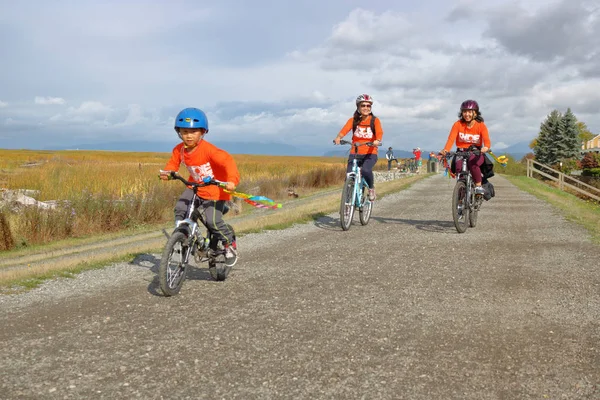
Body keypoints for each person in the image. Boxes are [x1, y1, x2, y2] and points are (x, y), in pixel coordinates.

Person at [160, 107, 241, 267]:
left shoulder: (208, 150)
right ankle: (184, 235)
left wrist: (231, 181)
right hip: (194, 187)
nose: (188, 136)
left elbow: (228, 162)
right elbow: (173, 164)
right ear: (179, 132)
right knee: (180, 208)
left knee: (212, 222)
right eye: (184, 132)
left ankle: (229, 244)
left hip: (215, 191)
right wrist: (168, 172)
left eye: (194, 132)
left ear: (203, 132)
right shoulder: (179, 150)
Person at [333, 94, 383, 200]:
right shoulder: (353, 120)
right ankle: (347, 203)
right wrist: (338, 137)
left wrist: (377, 140)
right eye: (363, 105)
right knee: (349, 177)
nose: (366, 108)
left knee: (365, 170)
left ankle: (371, 188)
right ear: (358, 107)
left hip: (370, 153)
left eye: (368, 106)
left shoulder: (375, 120)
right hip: (355, 152)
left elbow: (379, 132)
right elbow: (344, 130)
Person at [440, 100, 491, 195]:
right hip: (461, 152)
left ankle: (478, 186)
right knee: (459, 171)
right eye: (464, 111)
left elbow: (487, 140)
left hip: (476, 152)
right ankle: (460, 198)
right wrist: (446, 150)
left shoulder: (481, 126)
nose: (466, 114)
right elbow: (451, 139)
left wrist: (486, 147)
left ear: (475, 113)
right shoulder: (457, 124)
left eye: (469, 112)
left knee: (473, 164)